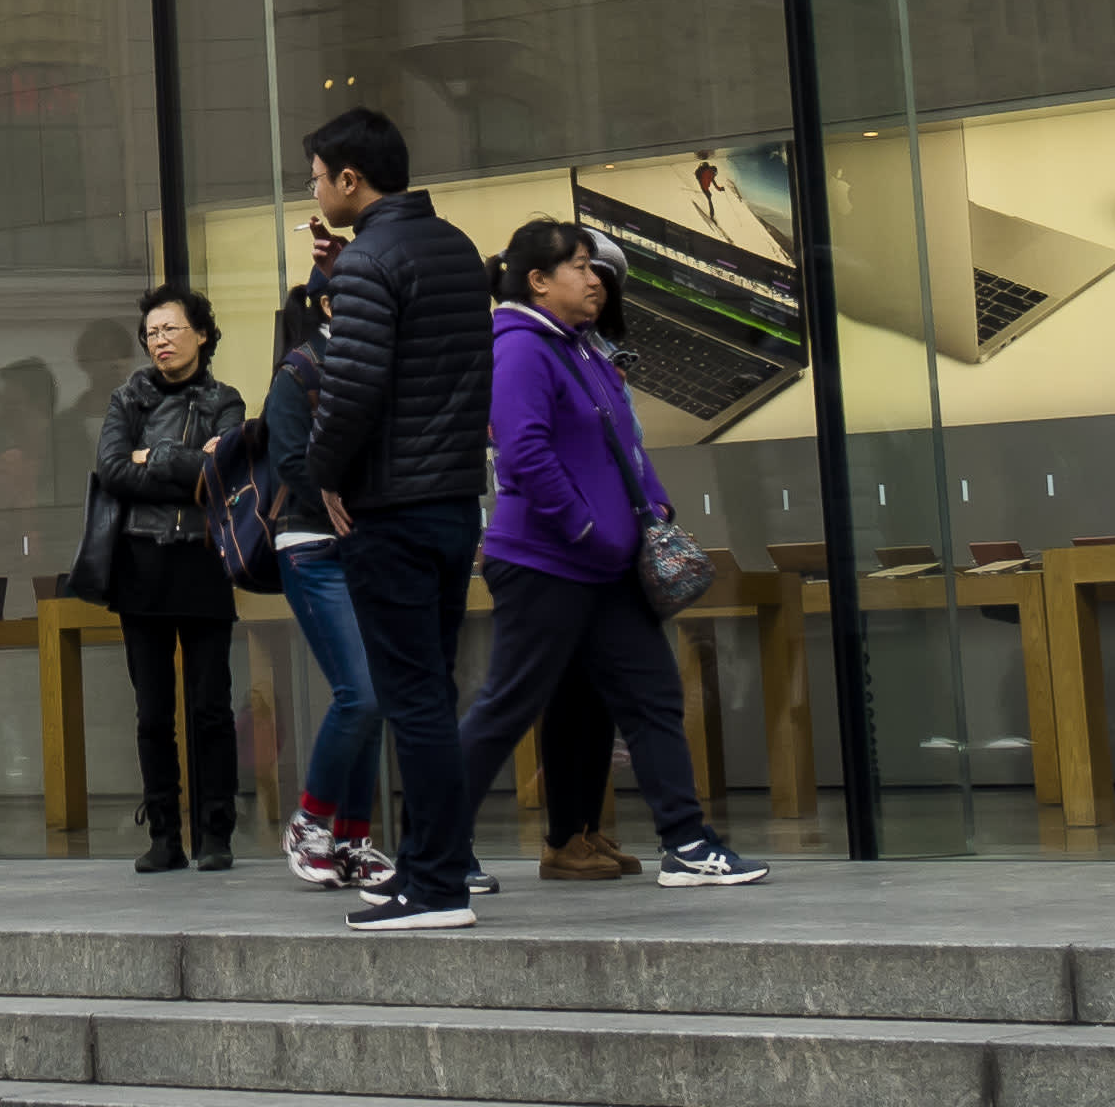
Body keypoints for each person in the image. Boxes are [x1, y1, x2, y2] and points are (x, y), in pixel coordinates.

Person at [454, 221, 763, 890]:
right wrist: (588, 530)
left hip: (607, 565)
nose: (596, 278)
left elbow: (625, 445)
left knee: (652, 698)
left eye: (595, 266)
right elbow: (525, 451)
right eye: (579, 266)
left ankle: (686, 842)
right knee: (507, 706)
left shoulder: (581, 351)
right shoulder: (520, 347)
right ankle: (436, 846)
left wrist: (654, 511)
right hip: (547, 561)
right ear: (538, 281)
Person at [296, 106, 490, 930]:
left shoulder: (372, 259)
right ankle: (429, 866)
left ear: (350, 178)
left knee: (411, 700)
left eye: (316, 175)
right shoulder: (452, 247)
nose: (311, 188)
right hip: (451, 502)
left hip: (393, 509)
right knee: (430, 695)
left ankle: (436, 887)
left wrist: (323, 475)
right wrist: (344, 275)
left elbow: (354, 387)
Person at [96, 283, 247, 875]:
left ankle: (216, 833)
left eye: (171, 329)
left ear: (202, 334)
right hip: (142, 563)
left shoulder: (224, 400)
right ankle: (164, 834)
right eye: (151, 332)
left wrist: (148, 457)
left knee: (211, 706)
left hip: (204, 559)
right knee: (153, 713)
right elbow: (110, 469)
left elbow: (226, 471)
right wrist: (185, 464)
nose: (159, 341)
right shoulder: (127, 397)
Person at [258, 289, 381, 893]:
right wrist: (348, 503)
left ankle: (354, 840)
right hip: (311, 545)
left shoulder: (379, 363)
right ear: (330, 306)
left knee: (375, 694)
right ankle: (310, 823)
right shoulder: (298, 371)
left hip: (366, 547)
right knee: (358, 693)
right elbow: (290, 462)